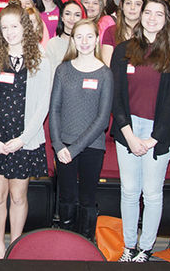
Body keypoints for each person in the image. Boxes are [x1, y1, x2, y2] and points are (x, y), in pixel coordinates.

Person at [111, 0, 170, 262]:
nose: (152, 18)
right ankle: (129, 246)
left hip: (159, 132)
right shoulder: (122, 50)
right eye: (148, 12)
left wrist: (153, 139)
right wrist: (129, 135)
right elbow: (116, 96)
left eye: (159, 14)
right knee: (129, 191)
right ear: (140, 15)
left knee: (152, 193)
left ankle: (145, 248)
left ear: (167, 19)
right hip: (127, 129)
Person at [0, 4, 53, 259]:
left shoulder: (40, 58)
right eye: (5, 27)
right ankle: (0, 248)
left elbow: (43, 105)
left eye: (14, 26)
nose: (9, 32)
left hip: (25, 139)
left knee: (18, 197)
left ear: (25, 28)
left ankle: (15, 248)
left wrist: (22, 139)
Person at [50, 19, 113, 242]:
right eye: (79, 37)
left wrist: (74, 148)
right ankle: (68, 244)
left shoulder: (105, 74)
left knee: (87, 198)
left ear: (97, 39)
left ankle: (86, 244)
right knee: (66, 197)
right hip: (63, 147)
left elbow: (103, 119)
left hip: (92, 147)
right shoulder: (63, 69)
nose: (84, 42)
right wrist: (58, 145)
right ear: (73, 40)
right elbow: (54, 109)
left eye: (89, 37)